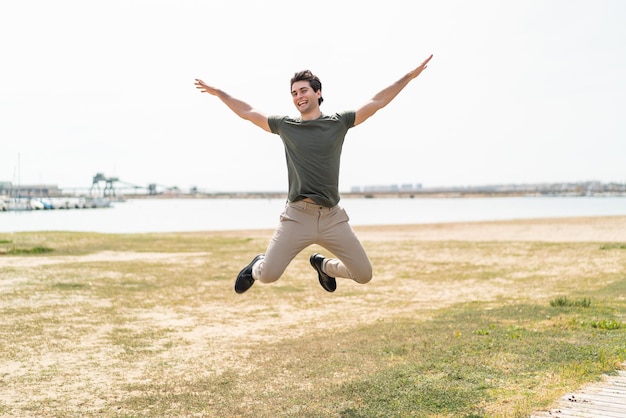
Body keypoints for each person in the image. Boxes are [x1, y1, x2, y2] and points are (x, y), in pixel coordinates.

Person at [195, 54, 433, 294]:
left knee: (364, 274)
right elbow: (248, 111)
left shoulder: (338, 122)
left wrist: (409, 77)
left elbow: (377, 101)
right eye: (294, 93)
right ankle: (256, 265)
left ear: (318, 93)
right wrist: (219, 92)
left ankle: (324, 266)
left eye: (303, 91)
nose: (299, 97)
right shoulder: (286, 126)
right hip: (297, 216)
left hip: (332, 217)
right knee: (268, 275)